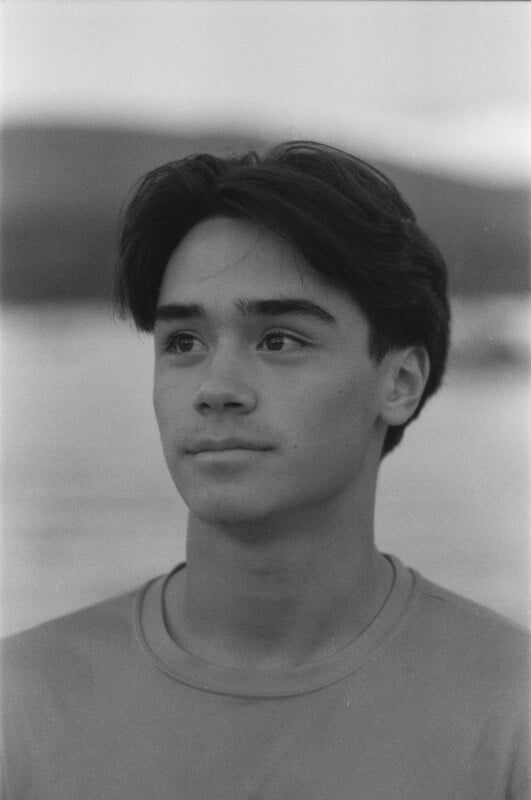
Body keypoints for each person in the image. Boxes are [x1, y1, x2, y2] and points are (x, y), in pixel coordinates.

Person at [1, 141, 528, 799]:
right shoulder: (19, 706)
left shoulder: (511, 711)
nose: (215, 387)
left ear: (399, 382)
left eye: (279, 340)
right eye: (183, 343)